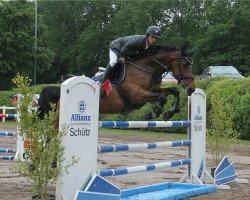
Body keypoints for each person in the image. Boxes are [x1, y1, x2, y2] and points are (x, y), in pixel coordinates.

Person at [100, 26, 161, 91]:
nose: (154, 40)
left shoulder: (152, 45)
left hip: (127, 51)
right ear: (148, 36)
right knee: (113, 62)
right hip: (117, 47)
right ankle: (102, 83)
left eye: (156, 38)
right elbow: (123, 51)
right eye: (152, 37)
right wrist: (138, 52)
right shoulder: (139, 41)